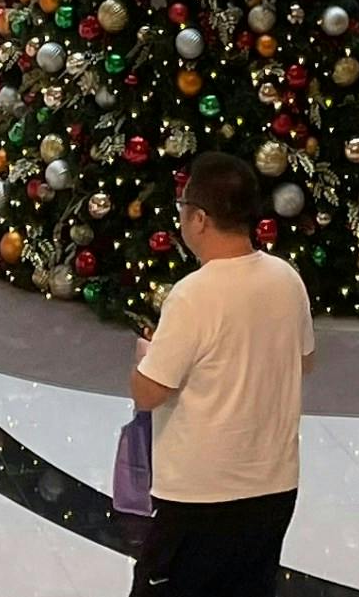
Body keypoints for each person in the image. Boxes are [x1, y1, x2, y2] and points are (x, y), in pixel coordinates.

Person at [128, 148, 312, 597]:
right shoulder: (287, 279)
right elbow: (304, 360)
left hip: (199, 494)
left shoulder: (194, 295)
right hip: (273, 486)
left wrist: (143, 357)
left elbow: (149, 392)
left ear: (200, 219)